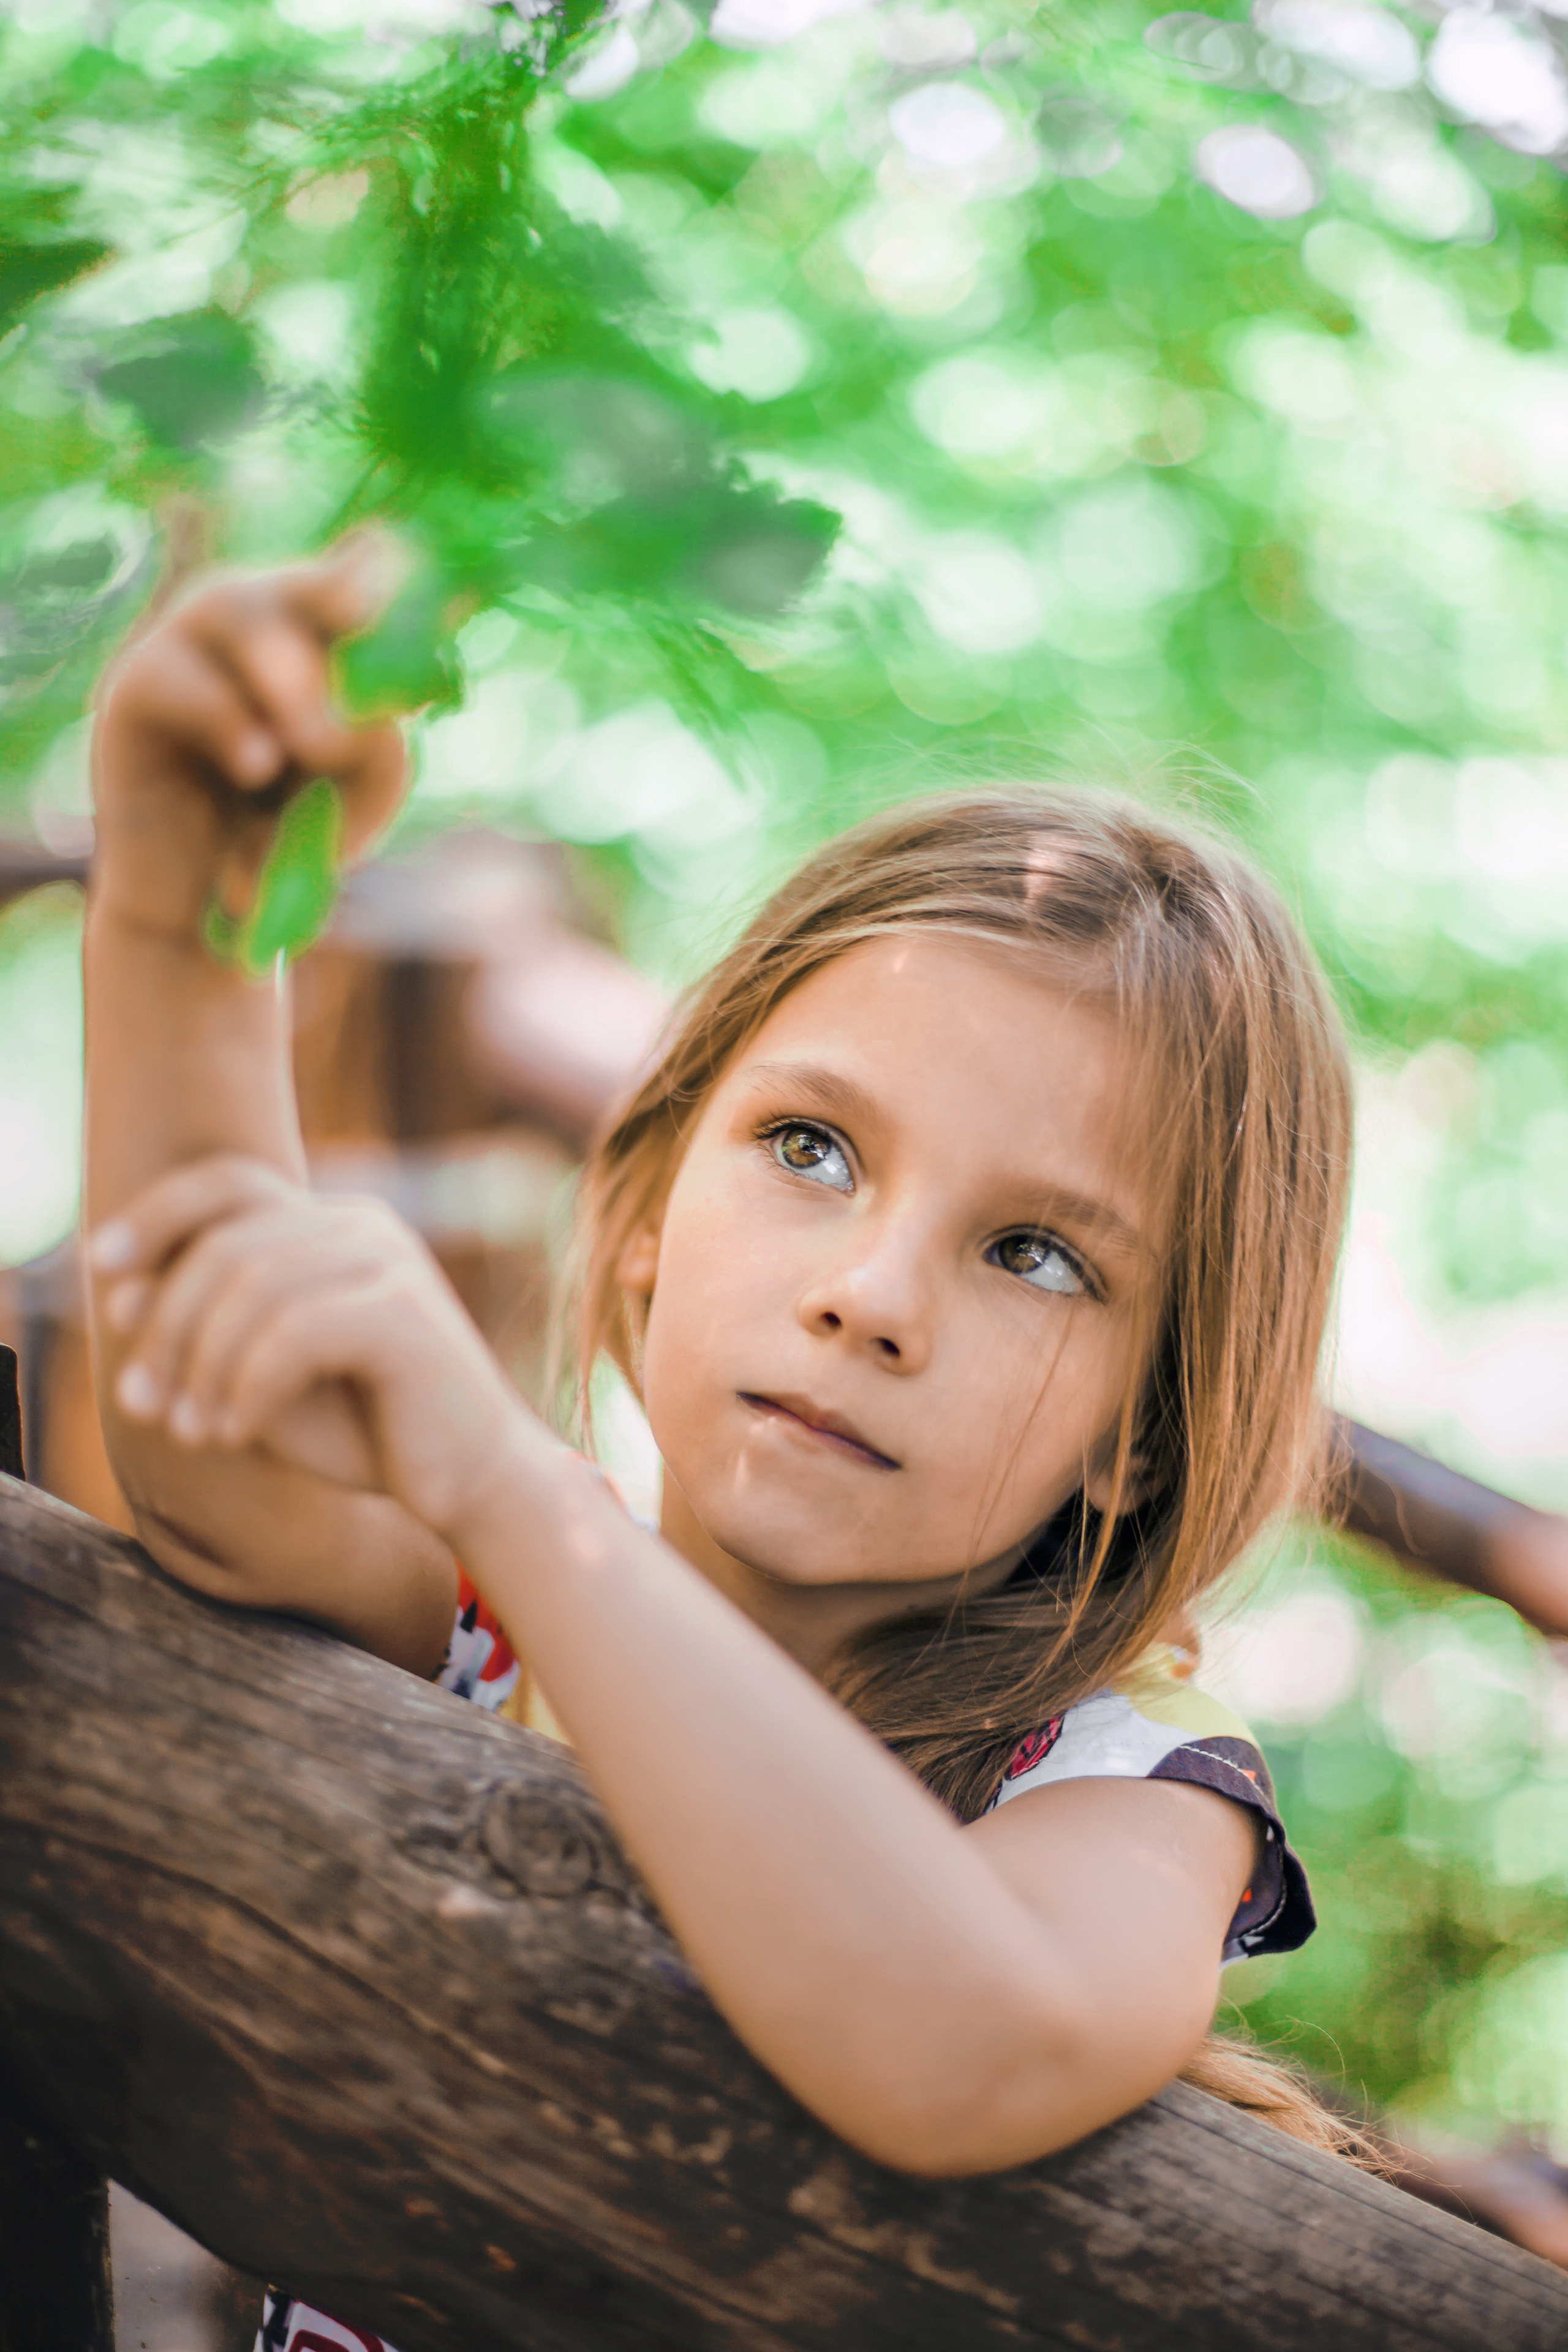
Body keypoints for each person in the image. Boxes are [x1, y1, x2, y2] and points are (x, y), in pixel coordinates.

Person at [83, 545, 1365, 2351]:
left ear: (1142, 1437)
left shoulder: (1134, 1791)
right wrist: (185, 899)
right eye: (811, 1149)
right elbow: (214, 1439)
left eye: (1034, 1255)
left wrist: (509, 1481)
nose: (871, 1296)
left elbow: (964, 2039)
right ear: (646, 1222)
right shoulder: (494, 1628)